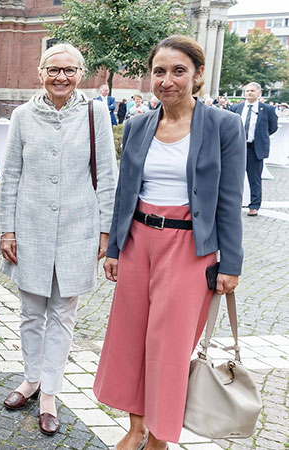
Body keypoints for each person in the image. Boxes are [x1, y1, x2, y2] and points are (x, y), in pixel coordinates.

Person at [93, 35, 245, 450]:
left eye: (179, 71)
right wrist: (113, 249)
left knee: (169, 345)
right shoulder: (140, 123)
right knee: (130, 338)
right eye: (159, 71)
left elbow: (229, 199)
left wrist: (230, 263)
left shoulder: (223, 125)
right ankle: (136, 426)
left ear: (196, 75)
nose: (167, 80)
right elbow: (126, 191)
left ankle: (161, 435)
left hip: (189, 249)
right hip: (138, 240)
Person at [0, 43, 117, 436]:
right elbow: (10, 174)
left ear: (81, 73)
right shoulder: (23, 116)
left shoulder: (96, 113)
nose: (61, 77)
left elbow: (107, 176)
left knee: (63, 315)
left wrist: (105, 231)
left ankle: (49, 394)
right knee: (31, 311)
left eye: (69, 70)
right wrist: (7, 229)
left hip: (78, 229)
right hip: (29, 226)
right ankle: (30, 379)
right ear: (41, 71)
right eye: (53, 70)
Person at [230, 82, 278, 216]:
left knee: (255, 179)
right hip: (237, 148)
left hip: (254, 149)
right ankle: (232, 204)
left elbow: (272, 127)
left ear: (259, 93)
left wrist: (261, 137)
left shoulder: (267, 109)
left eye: (252, 91)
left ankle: (254, 205)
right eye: (247, 91)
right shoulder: (236, 108)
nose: (249, 93)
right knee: (232, 177)